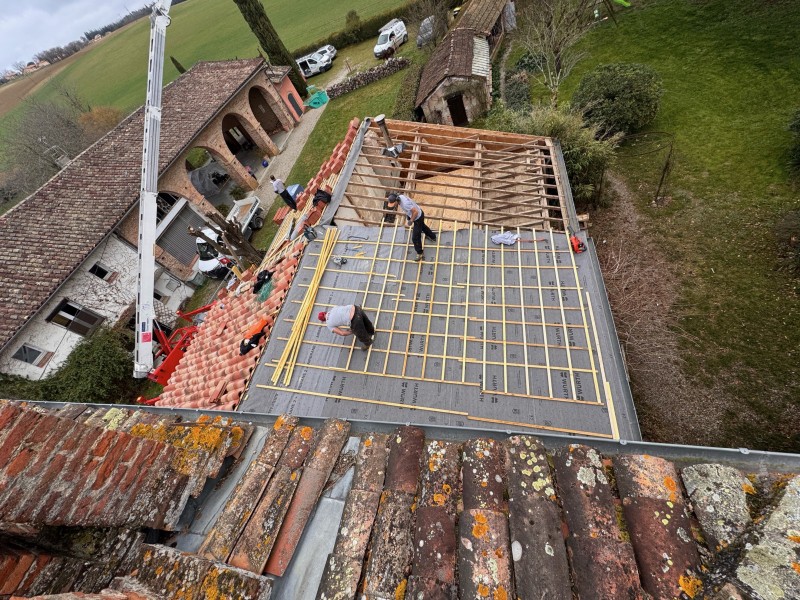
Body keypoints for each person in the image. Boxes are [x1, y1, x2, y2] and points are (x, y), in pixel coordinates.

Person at [386, 192, 436, 262]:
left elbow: (415, 212)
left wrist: (411, 220)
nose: (394, 205)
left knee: (415, 238)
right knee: (423, 227)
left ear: (397, 200)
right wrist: (408, 216)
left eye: (394, 204)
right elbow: (411, 207)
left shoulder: (405, 204)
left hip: (417, 217)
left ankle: (420, 253)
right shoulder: (401, 197)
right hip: (419, 214)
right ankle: (433, 237)